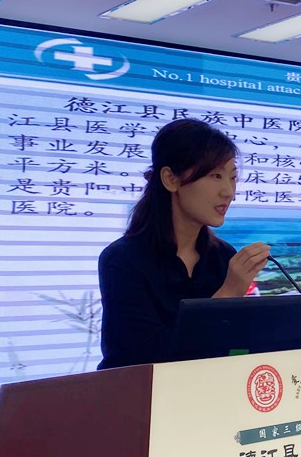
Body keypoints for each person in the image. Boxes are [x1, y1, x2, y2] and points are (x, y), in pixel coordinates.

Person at [97, 119, 270, 369]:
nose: (228, 191)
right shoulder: (122, 260)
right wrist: (228, 294)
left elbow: (232, 347)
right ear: (171, 179)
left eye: (233, 177)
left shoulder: (223, 257)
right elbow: (142, 359)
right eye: (215, 176)